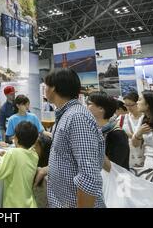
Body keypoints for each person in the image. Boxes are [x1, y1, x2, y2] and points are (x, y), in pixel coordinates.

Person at [35, 68, 105, 208]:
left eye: (46, 85)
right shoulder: (66, 115)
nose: (44, 89)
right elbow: (68, 159)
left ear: (53, 88)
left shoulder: (76, 117)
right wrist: (46, 169)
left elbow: (89, 175)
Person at [0, 121, 39, 208]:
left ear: (17, 138)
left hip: (14, 204)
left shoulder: (13, 153)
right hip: (30, 204)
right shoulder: (34, 155)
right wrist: (6, 157)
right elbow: (20, 162)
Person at [88, 92, 129, 170]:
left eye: (89, 104)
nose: (86, 107)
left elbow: (114, 167)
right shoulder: (93, 130)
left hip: (114, 180)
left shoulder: (118, 134)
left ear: (101, 109)